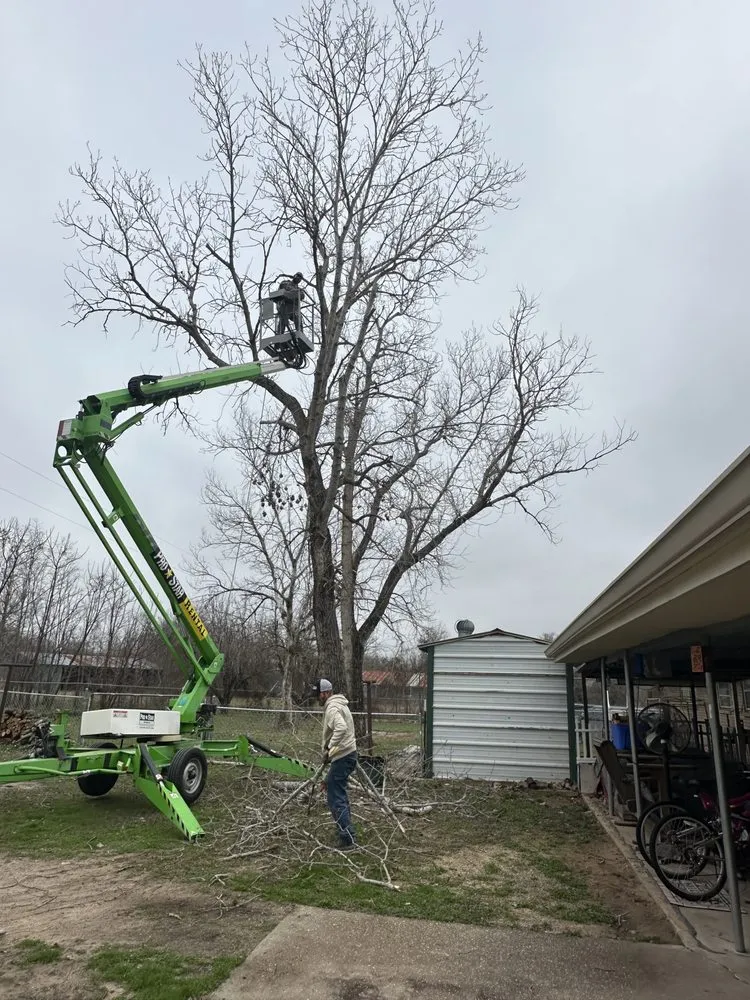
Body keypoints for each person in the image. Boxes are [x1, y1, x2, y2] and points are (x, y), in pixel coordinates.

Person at [314, 678, 358, 849]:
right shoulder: (340, 704)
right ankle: (347, 831)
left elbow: (341, 728)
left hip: (343, 755)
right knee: (338, 792)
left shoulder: (332, 708)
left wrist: (329, 748)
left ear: (325, 693)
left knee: (335, 797)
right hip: (347, 755)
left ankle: (347, 838)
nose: (317, 698)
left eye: (318, 694)